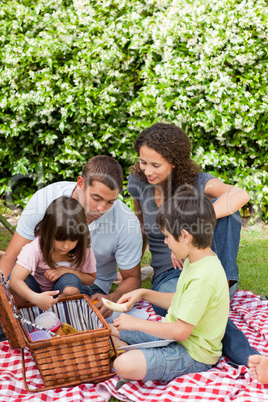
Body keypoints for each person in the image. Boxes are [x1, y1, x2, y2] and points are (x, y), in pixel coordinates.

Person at [126, 122, 268, 384]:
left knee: (229, 212)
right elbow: (139, 227)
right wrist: (132, 273)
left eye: (155, 165)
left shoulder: (196, 182)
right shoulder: (137, 182)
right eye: (143, 162)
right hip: (168, 273)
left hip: (203, 265)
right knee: (186, 307)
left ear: (175, 163)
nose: (147, 171)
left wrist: (189, 224)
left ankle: (251, 357)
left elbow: (240, 194)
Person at [0, 155, 142, 319]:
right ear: (81, 183)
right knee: (9, 302)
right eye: (96, 198)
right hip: (35, 282)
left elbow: (132, 278)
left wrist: (111, 298)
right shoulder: (45, 199)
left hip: (89, 288)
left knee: (73, 309)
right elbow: (11, 257)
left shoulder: (126, 220)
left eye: (111, 202)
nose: (102, 208)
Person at [110, 190, 230, 383]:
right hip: (171, 335)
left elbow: (181, 331)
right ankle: (125, 346)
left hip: (192, 352)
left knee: (123, 365)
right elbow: (180, 300)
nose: (165, 242)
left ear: (184, 236)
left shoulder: (204, 277)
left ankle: (125, 348)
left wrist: (135, 324)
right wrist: (143, 293)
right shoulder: (196, 259)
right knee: (109, 330)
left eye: (167, 236)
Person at [9, 196, 96, 311]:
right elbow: (14, 280)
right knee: (16, 285)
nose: (66, 246)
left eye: (73, 240)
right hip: (33, 294)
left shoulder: (83, 248)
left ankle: (56, 314)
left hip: (61, 295)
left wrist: (67, 270)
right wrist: (36, 298)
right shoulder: (36, 248)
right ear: (48, 232)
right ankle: (23, 316)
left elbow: (90, 279)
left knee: (71, 286)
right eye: (60, 239)